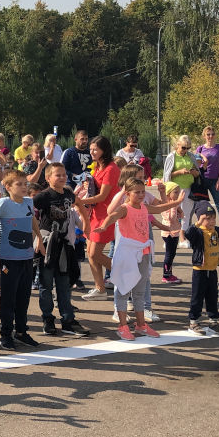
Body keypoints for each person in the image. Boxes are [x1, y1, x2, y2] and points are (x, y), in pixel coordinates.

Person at [92, 178, 184, 340]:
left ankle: (141, 325)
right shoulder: (124, 208)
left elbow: (159, 208)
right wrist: (104, 226)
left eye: (143, 191)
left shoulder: (144, 207)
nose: (141, 195)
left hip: (144, 252)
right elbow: (112, 216)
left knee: (139, 291)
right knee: (123, 290)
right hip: (127, 254)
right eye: (137, 192)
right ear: (127, 194)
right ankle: (122, 326)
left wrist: (177, 202)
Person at [0, 169, 44, 349]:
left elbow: (33, 221)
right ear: (7, 187)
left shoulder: (29, 202)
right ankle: (6, 334)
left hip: (27, 256)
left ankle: (21, 331)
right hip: (9, 259)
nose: (23, 187)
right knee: (8, 297)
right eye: (19, 184)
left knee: (24, 296)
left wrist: (39, 238)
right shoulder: (4, 203)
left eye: (25, 184)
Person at [32, 163, 91, 337]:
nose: (62, 177)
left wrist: (86, 224)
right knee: (46, 284)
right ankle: (47, 319)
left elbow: (80, 205)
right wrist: (37, 237)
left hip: (64, 244)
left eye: (64, 174)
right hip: (48, 244)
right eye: (58, 175)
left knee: (64, 284)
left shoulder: (68, 194)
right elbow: (27, 212)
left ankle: (68, 320)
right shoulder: (43, 196)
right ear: (48, 178)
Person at [182, 202, 219, 336]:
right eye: (207, 218)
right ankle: (193, 321)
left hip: (212, 270)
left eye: (213, 218)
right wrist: (198, 223)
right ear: (200, 218)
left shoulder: (216, 231)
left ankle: (213, 321)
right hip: (199, 270)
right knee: (197, 296)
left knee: (212, 296)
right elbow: (188, 234)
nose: (211, 221)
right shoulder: (198, 231)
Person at [77, 135, 120, 298]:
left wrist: (79, 201)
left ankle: (124, 274)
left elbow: (103, 196)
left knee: (95, 253)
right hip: (95, 214)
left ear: (104, 150)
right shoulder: (97, 166)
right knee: (90, 252)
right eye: (91, 149)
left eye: (96, 149)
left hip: (106, 215)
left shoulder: (111, 169)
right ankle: (100, 288)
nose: (92, 151)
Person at [162, 135, 201, 240]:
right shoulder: (171, 156)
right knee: (173, 213)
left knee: (186, 213)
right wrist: (179, 172)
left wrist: (194, 172)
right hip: (175, 189)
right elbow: (167, 175)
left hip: (189, 188)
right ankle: (170, 235)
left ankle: (182, 236)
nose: (185, 150)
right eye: (183, 147)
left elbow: (198, 173)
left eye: (188, 148)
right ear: (177, 145)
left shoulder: (191, 156)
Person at [195, 126, 219, 226]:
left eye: (212, 134)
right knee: (201, 205)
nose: (210, 136)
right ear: (204, 136)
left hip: (215, 179)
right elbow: (197, 163)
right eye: (208, 134)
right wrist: (201, 156)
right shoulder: (200, 148)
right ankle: (202, 225)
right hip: (203, 179)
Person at [159, 182, 184, 284]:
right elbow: (171, 218)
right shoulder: (166, 204)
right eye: (175, 192)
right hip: (168, 233)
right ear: (168, 193)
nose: (178, 194)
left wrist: (180, 210)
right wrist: (174, 207)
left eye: (178, 192)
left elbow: (181, 214)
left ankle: (169, 273)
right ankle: (166, 275)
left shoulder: (175, 203)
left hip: (175, 232)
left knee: (172, 253)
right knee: (169, 254)